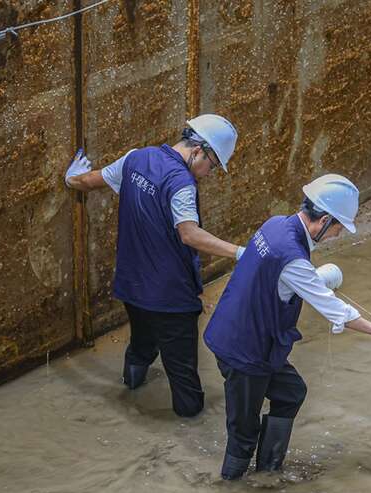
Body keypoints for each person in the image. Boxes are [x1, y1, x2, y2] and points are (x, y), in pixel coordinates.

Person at [204, 174, 371, 480]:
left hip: (242, 333)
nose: (337, 234)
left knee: (291, 391)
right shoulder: (292, 257)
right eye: (338, 227)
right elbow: (334, 309)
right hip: (244, 350)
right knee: (243, 432)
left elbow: (281, 278)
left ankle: (268, 472)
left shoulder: (276, 225)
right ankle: (231, 491)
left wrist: (319, 279)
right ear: (324, 220)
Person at [64, 114, 246, 418]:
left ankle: (129, 389)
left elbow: (87, 181)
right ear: (198, 150)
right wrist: (240, 252)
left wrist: (71, 177)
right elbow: (189, 233)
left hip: (132, 287)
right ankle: (182, 439)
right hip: (171, 299)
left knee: (142, 345)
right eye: (213, 165)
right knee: (188, 392)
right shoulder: (182, 184)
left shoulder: (136, 158)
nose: (209, 173)